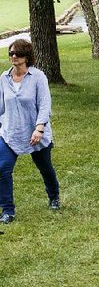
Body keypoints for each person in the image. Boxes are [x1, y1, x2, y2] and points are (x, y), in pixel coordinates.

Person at [0, 39, 60, 224]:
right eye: (11, 54)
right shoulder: (4, 77)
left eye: (17, 53)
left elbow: (44, 104)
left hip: (35, 132)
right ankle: (8, 211)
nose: (14, 57)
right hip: (10, 132)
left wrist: (39, 128)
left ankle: (54, 196)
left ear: (27, 56)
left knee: (45, 168)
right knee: (2, 169)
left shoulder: (38, 76)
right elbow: (1, 106)